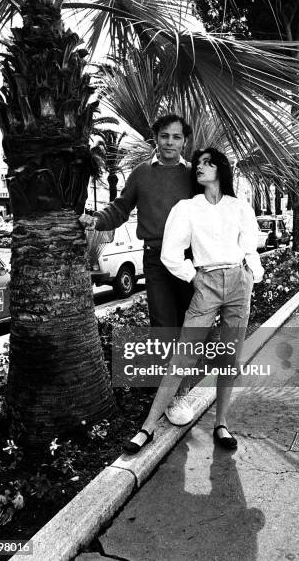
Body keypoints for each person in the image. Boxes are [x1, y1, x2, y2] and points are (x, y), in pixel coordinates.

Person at [123, 147, 264, 454]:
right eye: (197, 163)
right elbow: (169, 254)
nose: (199, 167)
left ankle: (221, 423)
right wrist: (194, 277)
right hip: (207, 283)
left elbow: (250, 247)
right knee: (183, 356)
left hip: (239, 282)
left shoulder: (239, 207)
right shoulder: (187, 208)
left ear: (220, 169)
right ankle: (147, 427)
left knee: (229, 358)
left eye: (206, 163)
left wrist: (253, 275)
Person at [79, 114, 195, 425]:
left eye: (176, 137)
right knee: (163, 326)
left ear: (185, 141)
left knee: (187, 325)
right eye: (165, 136)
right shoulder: (142, 174)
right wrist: (97, 220)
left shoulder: (193, 175)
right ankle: (172, 396)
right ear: (155, 138)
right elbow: (120, 207)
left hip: (188, 260)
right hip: (156, 260)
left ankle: (181, 387)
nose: (170, 142)